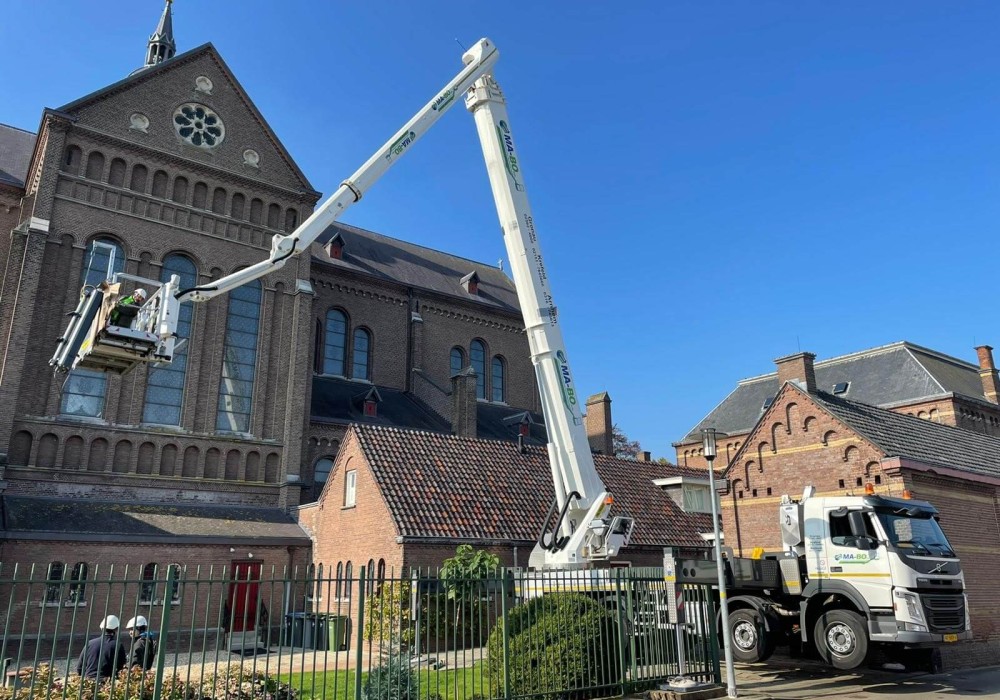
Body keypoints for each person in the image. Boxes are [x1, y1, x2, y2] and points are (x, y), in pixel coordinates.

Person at [76, 614, 127, 681]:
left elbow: (79, 667)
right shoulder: (117, 645)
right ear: (116, 629)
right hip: (106, 683)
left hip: (89, 682)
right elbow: (121, 667)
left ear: (101, 628)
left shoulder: (90, 643)